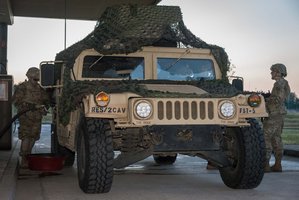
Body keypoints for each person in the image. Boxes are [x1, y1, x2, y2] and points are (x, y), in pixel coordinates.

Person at [12, 67, 50, 168]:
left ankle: (28, 156)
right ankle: (24, 158)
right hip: (25, 117)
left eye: (37, 76)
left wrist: (45, 108)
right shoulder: (22, 87)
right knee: (26, 137)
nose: (36, 78)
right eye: (35, 75)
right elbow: (16, 101)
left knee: (34, 137)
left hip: (37, 117)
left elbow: (46, 101)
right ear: (29, 76)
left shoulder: (40, 89)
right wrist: (32, 106)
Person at [263, 63, 290, 172]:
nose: (271, 73)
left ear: (278, 72)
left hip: (274, 114)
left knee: (266, 138)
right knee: (276, 138)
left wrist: (265, 102)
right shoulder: (283, 83)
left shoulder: (279, 84)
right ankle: (278, 165)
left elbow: (278, 98)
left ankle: (265, 165)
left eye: (273, 71)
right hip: (279, 114)